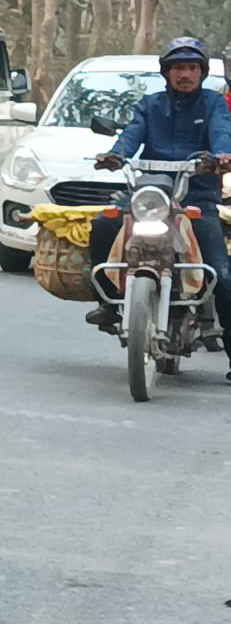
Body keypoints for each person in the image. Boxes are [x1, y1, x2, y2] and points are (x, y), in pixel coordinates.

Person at [87, 37, 231, 379]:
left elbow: (222, 131)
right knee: (103, 225)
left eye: (192, 68)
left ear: (201, 72)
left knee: (222, 277)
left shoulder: (213, 104)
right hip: (151, 197)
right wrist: (115, 155)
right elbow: (131, 136)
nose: (185, 74)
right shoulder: (149, 105)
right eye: (178, 68)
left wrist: (223, 155)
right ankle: (108, 303)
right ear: (166, 73)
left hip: (197, 198)